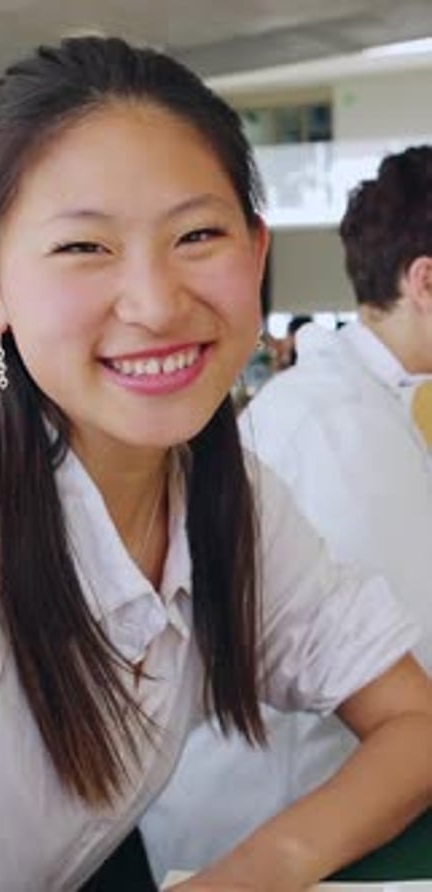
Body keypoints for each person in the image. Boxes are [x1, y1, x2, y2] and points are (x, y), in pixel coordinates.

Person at [0, 37, 431, 892]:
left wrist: (260, 869)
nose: (158, 304)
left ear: (256, 251)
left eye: (197, 234)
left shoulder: (224, 492)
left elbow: (413, 720)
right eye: (85, 248)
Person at [239, 143, 432, 836]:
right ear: (426, 282)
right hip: (294, 811)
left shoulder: (371, 399)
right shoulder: (336, 425)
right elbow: (413, 648)